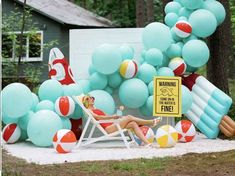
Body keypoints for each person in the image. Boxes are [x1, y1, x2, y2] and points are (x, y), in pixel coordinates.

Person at [82, 95, 161, 147]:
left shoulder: (97, 109)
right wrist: (113, 117)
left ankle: (147, 143)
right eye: (89, 98)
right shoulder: (88, 110)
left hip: (113, 125)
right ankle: (150, 122)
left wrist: (117, 114)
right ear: (86, 101)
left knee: (133, 123)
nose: (92, 99)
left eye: (92, 98)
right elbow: (98, 117)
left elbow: (107, 117)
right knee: (129, 117)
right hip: (109, 129)